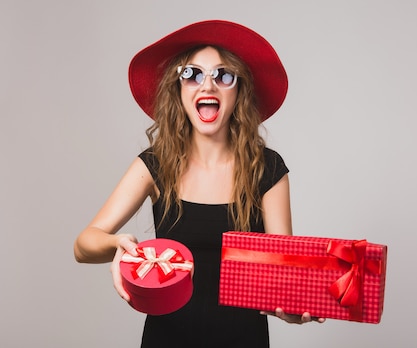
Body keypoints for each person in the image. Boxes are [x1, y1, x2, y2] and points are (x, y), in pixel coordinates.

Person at [73, 20, 322, 347]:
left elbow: (281, 275)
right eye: (191, 74)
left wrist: (288, 308)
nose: (208, 86)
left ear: (239, 92)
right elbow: (83, 245)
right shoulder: (155, 165)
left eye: (223, 76)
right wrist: (117, 244)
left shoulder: (268, 169)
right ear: (178, 90)